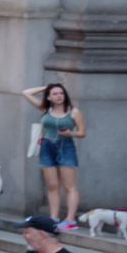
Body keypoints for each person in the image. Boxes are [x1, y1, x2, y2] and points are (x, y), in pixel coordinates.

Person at [23, 81, 86, 229]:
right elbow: (26, 92)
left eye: (61, 93)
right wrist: (46, 87)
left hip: (66, 147)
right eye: (55, 94)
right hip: (47, 147)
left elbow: (83, 132)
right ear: (49, 97)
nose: (59, 96)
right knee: (52, 186)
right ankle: (53, 217)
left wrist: (71, 133)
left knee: (69, 186)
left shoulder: (74, 111)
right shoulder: (45, 108)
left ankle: (70, 220)